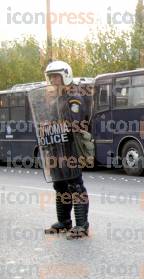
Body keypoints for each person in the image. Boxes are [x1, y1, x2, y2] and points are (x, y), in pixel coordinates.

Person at [36, 61, 90, 240]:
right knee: (60, 184)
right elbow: (52, 121)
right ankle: (64, 221)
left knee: (75, 185)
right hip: (56, 148)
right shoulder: (56, 99)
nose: (53, 80)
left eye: (56, 76)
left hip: (71, 148)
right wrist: (45, 127)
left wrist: (56, 126)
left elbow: (75, 123)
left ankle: (82, 225)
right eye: (51, 77)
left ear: (65, 75)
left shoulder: (73, 97)